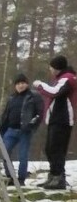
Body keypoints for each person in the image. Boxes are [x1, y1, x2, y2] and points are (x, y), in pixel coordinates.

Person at [33, 55, 76, 190]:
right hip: (55, 118)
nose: (50, 69)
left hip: (62, 119)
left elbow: (54, 92)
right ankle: (54, 175)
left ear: (57, 67)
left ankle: (58, 178)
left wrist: (40, 85)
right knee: (50, 149)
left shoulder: (67, 78)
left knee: (56, 149)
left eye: (51, 67)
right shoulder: (61, 79)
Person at [0, 73, 43, 185]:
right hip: (11, 130)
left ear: (27, 84)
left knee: (23, 156)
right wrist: (0, 131)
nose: (20, 86)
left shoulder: (33, 96)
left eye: (23, 83)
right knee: (5, 153)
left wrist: (32, 125)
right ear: (15, 86)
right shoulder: (11, 98)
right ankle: (10, 177)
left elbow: (40, 113)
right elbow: (5, 116)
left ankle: (21, 179)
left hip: (25, 131)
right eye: (18, 84)